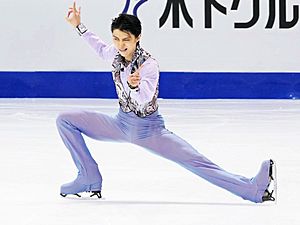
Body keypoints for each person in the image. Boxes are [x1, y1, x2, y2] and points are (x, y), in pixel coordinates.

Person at [57, 2, 276, 203]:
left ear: (137, 37)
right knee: (65, 120)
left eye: (126, 39)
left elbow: (145, 99)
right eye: (116, 38)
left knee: (197, 162)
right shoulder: (115, 53)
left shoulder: (149, 65)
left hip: (149, 130)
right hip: (120, 124)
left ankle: (253, 190)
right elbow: (99, 47)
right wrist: (79, 26)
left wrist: (135, 86)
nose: (120, 45)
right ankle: (88, 176)